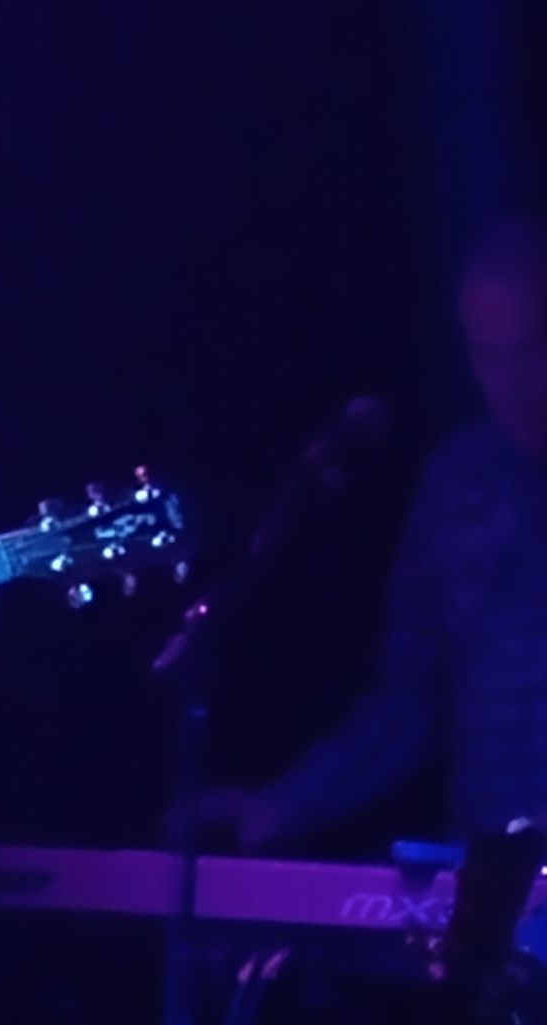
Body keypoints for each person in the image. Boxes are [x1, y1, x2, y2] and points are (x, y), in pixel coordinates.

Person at [212, 216, 547, 852]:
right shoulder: (459, 482)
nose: (515, 384)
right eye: (491, 356)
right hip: (492, 882)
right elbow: (411, 699)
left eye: (535, 349)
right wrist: (284, 804)